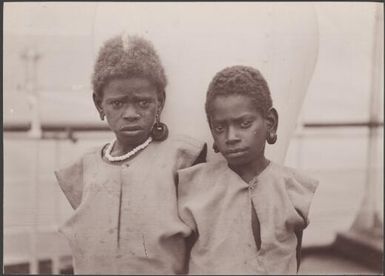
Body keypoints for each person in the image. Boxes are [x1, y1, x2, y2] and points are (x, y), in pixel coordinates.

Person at [55, 33, 207, 274]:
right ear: (99, 104)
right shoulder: (83, 169)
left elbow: (204, 242)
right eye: (118, 103)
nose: (131, 113)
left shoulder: (181, 159)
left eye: (143, 102)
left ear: (160, 101)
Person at [178, 65, 318, 274]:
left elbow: (293, 259)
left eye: (244, 123)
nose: (231, 136)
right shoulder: (194, 187)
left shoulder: (293, 189)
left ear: (270, 123)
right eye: (220, 128)